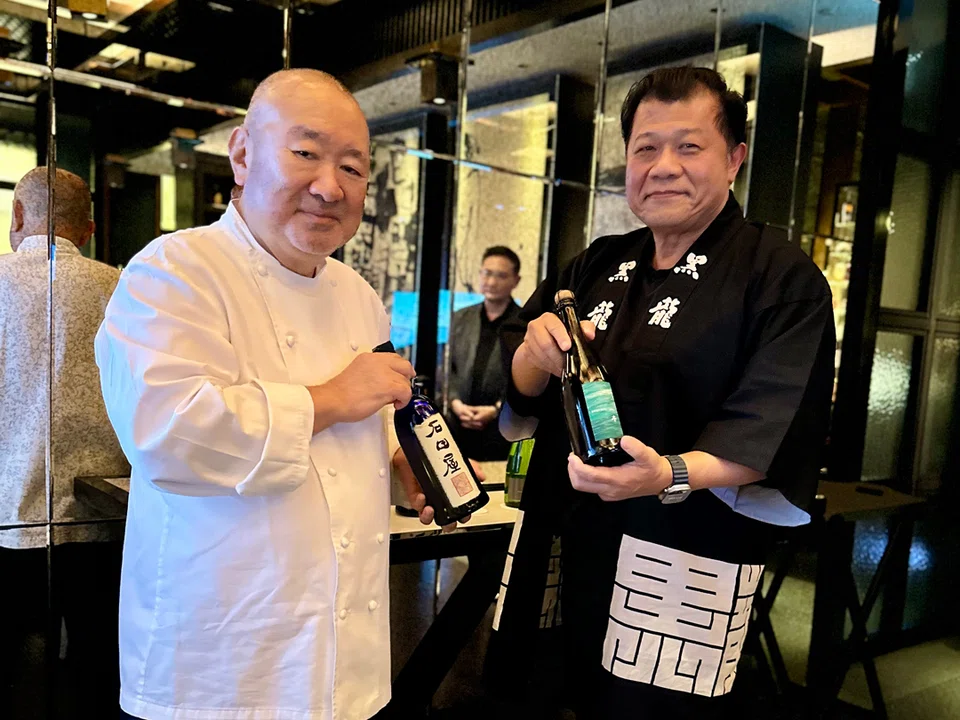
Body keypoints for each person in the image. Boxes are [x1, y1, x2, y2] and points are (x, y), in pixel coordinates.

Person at [95, 69, 449, 720]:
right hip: (222, 664)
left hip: (345, 656)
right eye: (306, 153)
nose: (329, 185)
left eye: (352, 166)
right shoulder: (174, 272)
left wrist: (398, 466)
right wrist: (333, 398)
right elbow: (169, 433)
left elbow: (349, 442)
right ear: (242, 153)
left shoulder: (359, 296)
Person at [493, 67, 835, 718]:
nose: (664, 166)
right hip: (571, 536)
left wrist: (667, 474)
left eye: (689, 146)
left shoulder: (779, 277)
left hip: (683, 552)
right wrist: (532, 358)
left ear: (734, 159)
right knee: (547, 696)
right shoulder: (596, 263)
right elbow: (517, 399)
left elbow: (768, 424)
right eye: (646, 148)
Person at [0, 167, 130, 714]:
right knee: (98, 670)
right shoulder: (123, 288)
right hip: (99, 514)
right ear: (91, 229)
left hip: (7, 512)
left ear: (18, 217)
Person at [448, 246, 522, 460]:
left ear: (516, 280)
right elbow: (447, 367)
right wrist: (455, 402)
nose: (491, 282)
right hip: (457, 423)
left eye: (500, 275)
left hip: (500, 429)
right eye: (487, 273)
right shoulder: (461, 318)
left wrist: (496, 409)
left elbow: (523, 378)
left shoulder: (523, 323)